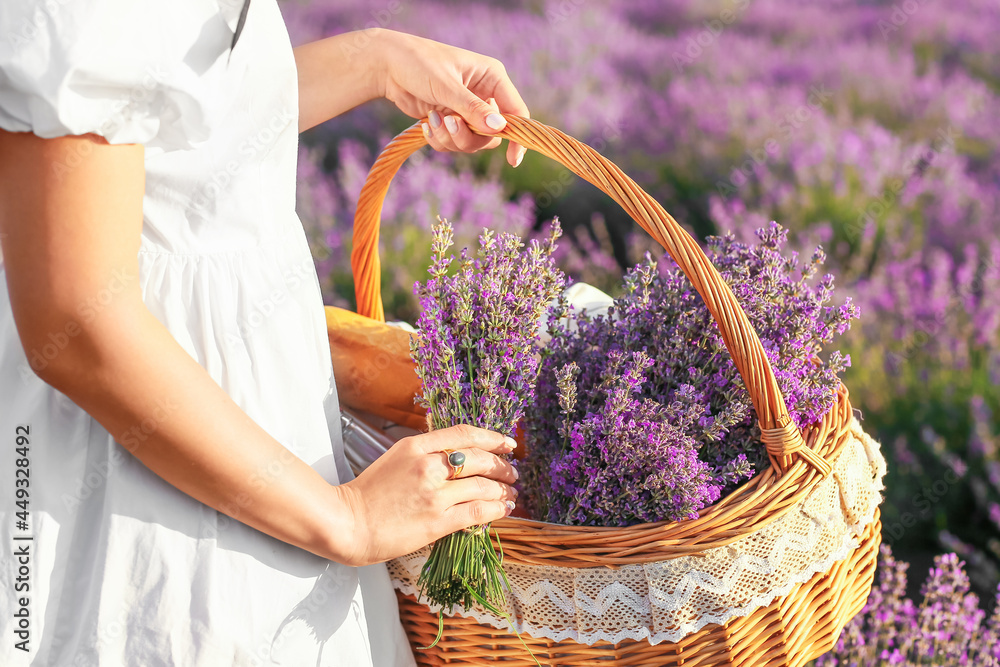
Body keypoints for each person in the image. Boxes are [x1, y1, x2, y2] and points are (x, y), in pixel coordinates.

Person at [0, 1, 529, 665]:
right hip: (155, 472)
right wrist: (346, 518)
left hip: (265, 455)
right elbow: (77, 322)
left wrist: (378, 59)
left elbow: (184, 116)